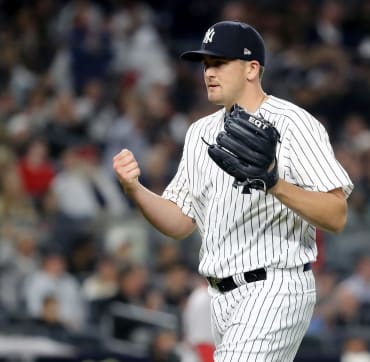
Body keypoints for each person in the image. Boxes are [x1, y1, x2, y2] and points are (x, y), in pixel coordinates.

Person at [113, 20, 353, 361]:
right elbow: (181, 222)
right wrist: (134, 189)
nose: (209, 72)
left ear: (252, 68)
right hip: (220, 298)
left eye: (220, 63)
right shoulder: (199, 132)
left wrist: (273, 182)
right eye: (206, 64)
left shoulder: (293, 123)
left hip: (276, 286)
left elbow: (337, 214)